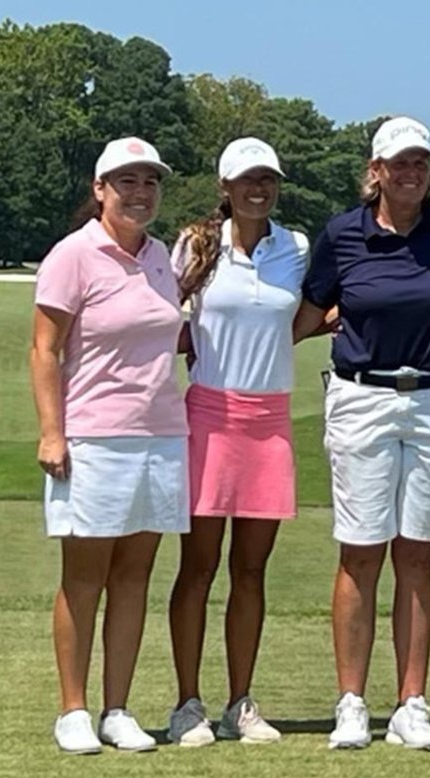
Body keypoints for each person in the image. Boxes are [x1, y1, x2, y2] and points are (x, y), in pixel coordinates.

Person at [293, 116, 430, 751]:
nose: (411, 172)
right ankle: (352, 702)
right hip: (362, 399)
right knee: (361, 551)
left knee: (417, 551)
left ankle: (411, 703)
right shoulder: (343, 234)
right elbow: (309, 314)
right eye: (399, 163)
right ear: (376, 171)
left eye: (420, 162)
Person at [31, 137, 186, 754]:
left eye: (149, 181)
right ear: (100, 190)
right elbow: (45, 348)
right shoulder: (73, 255)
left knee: (134, 576)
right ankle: (74, 709)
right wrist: (52, 430)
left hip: (161, 433)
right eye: (127, 181)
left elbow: (162, 334)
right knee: (85, 577)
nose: (139, 192)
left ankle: (118, 708)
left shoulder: (161, 259)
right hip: (94, 435)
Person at [166, 138, 309, 746]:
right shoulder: (197, 245)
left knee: (251, 570)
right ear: (225, 187)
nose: (260, 188)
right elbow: (167, 320)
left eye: (268, 179)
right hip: (208, 416)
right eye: (247, 179)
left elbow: (307, 316)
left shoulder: (297, 248)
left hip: (269, 422)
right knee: (197, 568)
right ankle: (187, 704)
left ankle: (239, 703)